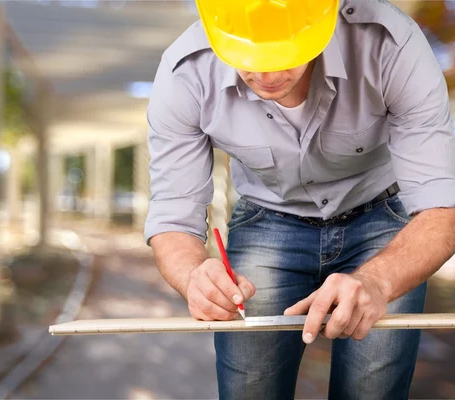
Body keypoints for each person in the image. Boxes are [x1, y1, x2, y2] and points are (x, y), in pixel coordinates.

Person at [144, 0, 455, 399]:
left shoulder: (389, 44)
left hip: (382, 218)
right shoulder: (185, 72)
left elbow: (442, 207)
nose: (268, 73)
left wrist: (377, 282)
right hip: (267, 219)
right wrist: (192, 276)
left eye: (285, 52)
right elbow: (172, 214)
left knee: (373, 390)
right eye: (249, 56)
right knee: (249, 389)